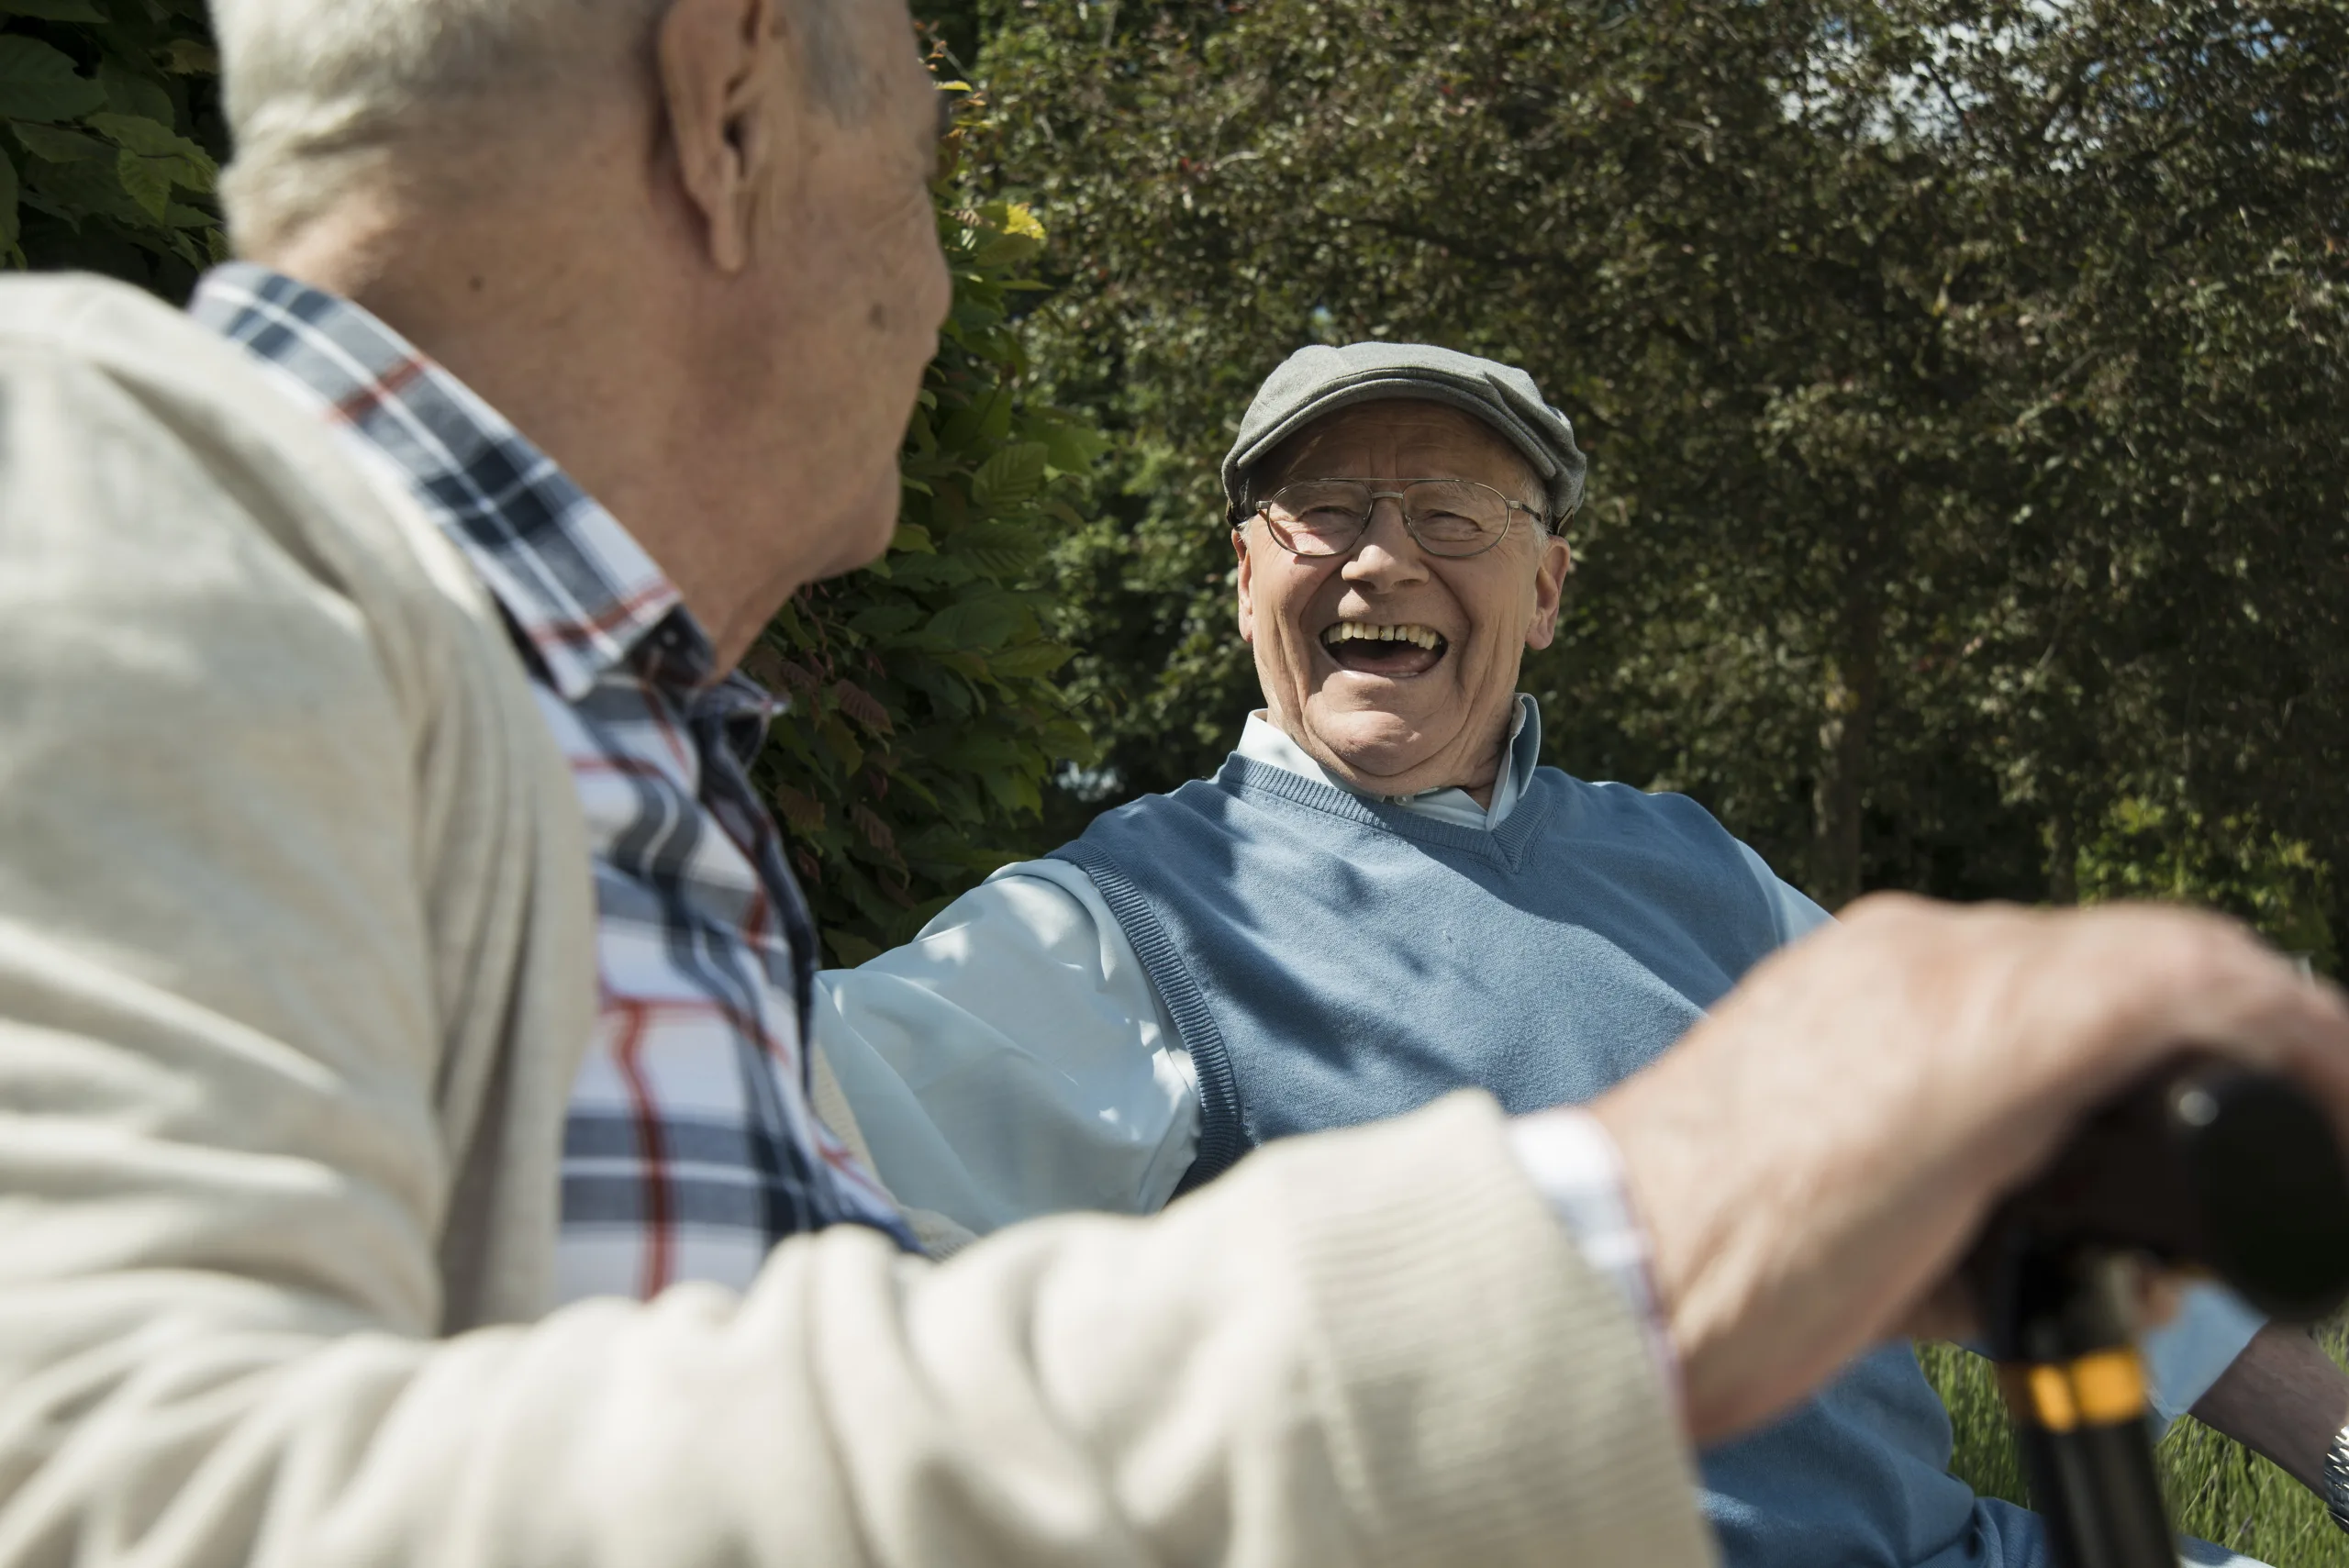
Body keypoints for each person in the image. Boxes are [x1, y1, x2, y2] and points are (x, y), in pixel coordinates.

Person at [4, 3, 2348, 1567]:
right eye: (921, 146)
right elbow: (132, 1495)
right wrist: (1621, 1250)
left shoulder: (624, 760)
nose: (932, 289)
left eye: (1452, 514)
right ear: (725, 104)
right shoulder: (98, 490)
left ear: (1547, 587)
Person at [814, 343, 2349, 1568]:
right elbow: (780, 1140)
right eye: (1324, 509)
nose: (1377, 561)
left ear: (1546, 592)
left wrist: (2337, 1449)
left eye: (1452, 518)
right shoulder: (1123, 924)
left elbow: (2021, 1170)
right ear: (1241, 576)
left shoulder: (1699, 869)